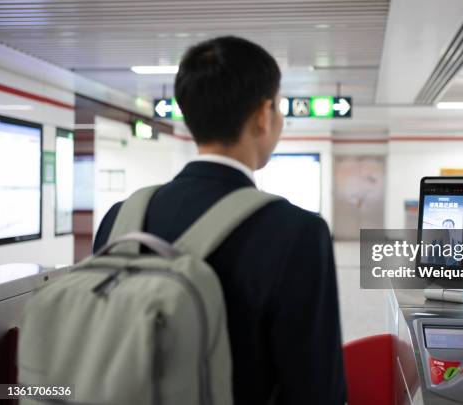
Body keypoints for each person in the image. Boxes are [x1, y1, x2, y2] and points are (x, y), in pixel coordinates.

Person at [93, 36, 346, 405]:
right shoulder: (298, 232)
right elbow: (316, 389)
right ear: (263, 115)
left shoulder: (120, 218)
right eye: (277, 107)